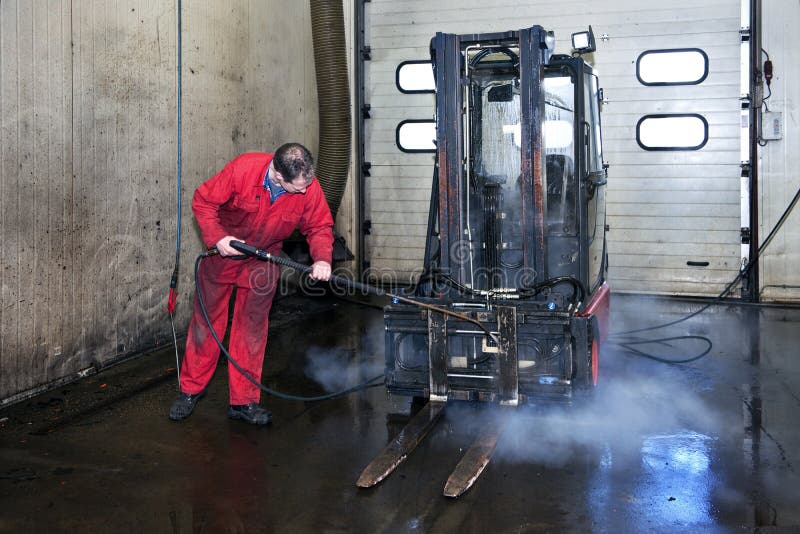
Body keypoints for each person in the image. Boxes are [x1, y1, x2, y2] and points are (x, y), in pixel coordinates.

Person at [169, 143, 333, 425]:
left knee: (252, 330)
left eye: (307, 184)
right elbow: (203, 201)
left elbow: (319, 225)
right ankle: (189, 391)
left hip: (263, 261)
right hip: (225, 254)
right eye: (298, 187)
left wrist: (322, 259)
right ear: (278, 175)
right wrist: (218, 237)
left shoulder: (309, 185)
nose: (305, 191)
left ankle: (243, 402)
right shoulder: (244, 169)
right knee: (207, 326)